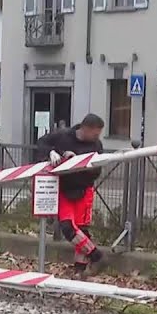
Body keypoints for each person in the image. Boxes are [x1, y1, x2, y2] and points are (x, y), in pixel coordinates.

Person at [35, 114, 106, 272]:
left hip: (84, 189)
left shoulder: (96, 145)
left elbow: (96, 171)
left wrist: (77, 162)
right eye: (95, 134)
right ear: (85, 129)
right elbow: (42, 142)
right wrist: (51, 153)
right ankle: (95, 255)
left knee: (82, 229)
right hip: (64, 189)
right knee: (68, 228)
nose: (97, 137)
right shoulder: (63, 136)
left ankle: (80, 270)